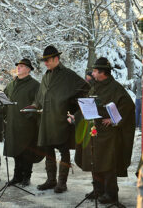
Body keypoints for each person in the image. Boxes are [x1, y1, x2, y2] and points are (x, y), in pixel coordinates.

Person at [74, 57, 135, 204]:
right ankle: (98, 190)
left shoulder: (116, 88)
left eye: (95, 71)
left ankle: (111, 194)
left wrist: (113, 120)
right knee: (95, 161)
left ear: (103, 73)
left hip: (108, 134)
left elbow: (128, 106)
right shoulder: (95, 86)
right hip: (94, 131)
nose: (92, 73)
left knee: (107, 164)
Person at [33, 45, 89, 193]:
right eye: (44, 60)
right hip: (46, 121)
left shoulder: (68, 75)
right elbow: (39, 97)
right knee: (48, 150)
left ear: (56, 59)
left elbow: (86, 89)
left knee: (64, 151)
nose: (45, 63)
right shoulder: (46, 76)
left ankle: (62, 183)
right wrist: (33, 106)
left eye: (48, 60)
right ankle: (51, 180)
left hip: (61, 120)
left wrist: (74, 109)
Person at [3, 58, 40, 187]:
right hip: (12, 121)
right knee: (15, 151)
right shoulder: (11, 84)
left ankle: (26, 177)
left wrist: (32, 110)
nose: (19, 68)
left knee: (26, 152)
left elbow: (37, 101)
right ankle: (17, 176)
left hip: (26, 122)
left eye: (22, 66)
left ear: (28, 69)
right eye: (18, 66)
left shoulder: (35, 85)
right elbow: (3, 97)